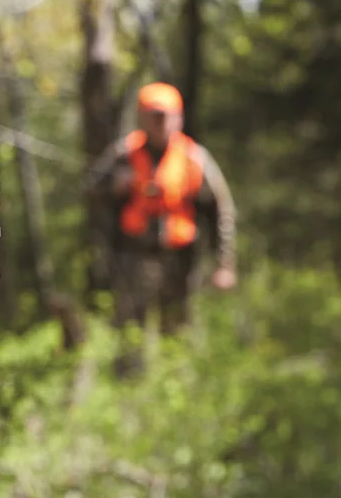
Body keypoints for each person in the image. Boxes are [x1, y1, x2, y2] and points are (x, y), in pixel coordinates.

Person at [92, 82, 237, 353]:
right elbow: (91, 191)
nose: (163, 123)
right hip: (132, 258)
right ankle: (128, 392)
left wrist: (224, 264)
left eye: (168, 116)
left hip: (180, 260)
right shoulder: (123, 154)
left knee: (178, 332)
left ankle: (175, 388)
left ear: (179, 117)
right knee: (129, 335)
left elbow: (221, 211)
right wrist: (116, 187)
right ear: (142, 118)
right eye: (155, 116)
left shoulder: (195, 158)